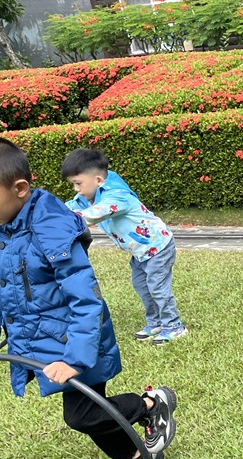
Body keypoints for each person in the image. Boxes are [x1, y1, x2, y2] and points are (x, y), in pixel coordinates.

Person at [0, 137, 176, 459]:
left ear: (20, 188)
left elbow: (86, 299)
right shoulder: (1, 227)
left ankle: (151, 406)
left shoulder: (51, 228)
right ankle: (137, 453)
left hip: (79, 341)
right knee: (88, 414)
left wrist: (75, 359)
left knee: (83, 415)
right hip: (47, 343)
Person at [61, 148, 186, 346]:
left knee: (157, 287)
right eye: (73, 184)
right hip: (139, 252)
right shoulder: (88, 197)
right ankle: (155, 322)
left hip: (158, 246)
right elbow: (69, 208)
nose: (76, 189)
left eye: (78, 183)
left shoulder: (118, 196)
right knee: (142, 286)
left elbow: (96, 213)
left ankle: (174, 325)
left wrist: (70, 218)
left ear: (98, 180)